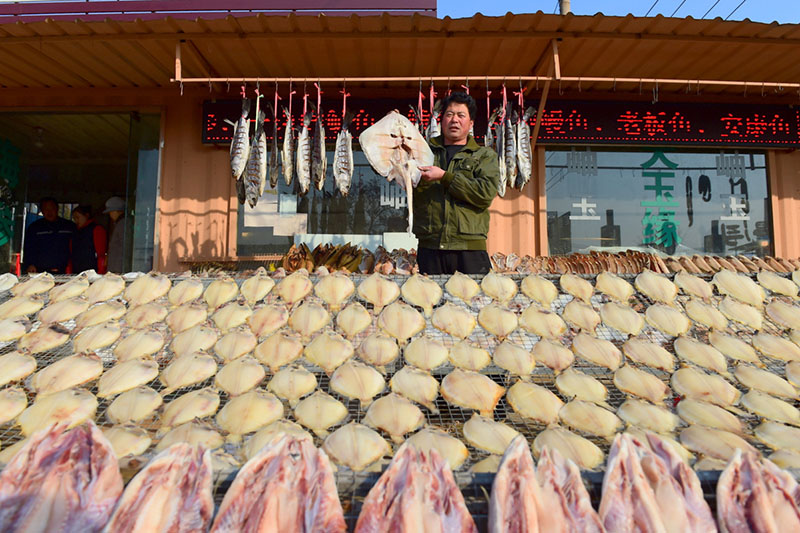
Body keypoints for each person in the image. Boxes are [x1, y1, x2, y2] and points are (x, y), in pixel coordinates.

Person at [414, 92, 500, 275]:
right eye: (449, 114)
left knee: (474, 302)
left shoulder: (484, 156)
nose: (454, 120)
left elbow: (484, 194)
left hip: (469, 250)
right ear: (441, 120)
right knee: (429, 302)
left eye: (461, 115)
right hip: (430, 248)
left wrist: (445, 177)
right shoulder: (422, 152)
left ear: (471, 124)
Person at [22, 196, 75, 274]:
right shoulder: (35, 227)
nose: (49, 212)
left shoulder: (69, 226)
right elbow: (29, 248)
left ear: (57, 209)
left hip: (66, 271)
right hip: (41, 271)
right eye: (46, 209)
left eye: (52, 209)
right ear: (42, 211)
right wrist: (30, 264)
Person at [70, 205, 107, 274]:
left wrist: (100, 271)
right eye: (74, 218)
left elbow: (101, 253)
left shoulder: (97, 229)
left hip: (92, 271)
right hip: (76, 271)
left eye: (78, 217)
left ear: (87, 215)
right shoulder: (75, 231)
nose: (76, 220)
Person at [104, 196, 126, 273]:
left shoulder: (122, 224)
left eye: (110, 212)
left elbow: (122, 248)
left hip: (117, 268)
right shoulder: (120, 223)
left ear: (116, 211)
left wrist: (116, 270)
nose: (110, 215)